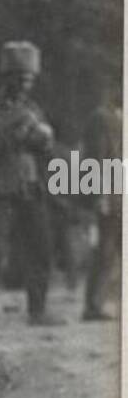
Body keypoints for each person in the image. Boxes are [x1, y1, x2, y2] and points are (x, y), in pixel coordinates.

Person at [0, 41, 59, 325]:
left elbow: (44, 147)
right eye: (20, 78)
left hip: (28, 186)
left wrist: (43, 138)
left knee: (41, 248)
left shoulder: (33, 108)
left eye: (29, 79)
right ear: (6, 77)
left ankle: (37, 310)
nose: (25, 84)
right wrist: (14, 124)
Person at [82, 102, 122, 322]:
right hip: (112, 195)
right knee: (105, 252)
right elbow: (95, 158)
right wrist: (98, 195)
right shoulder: (102, 117)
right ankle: (93, 305)